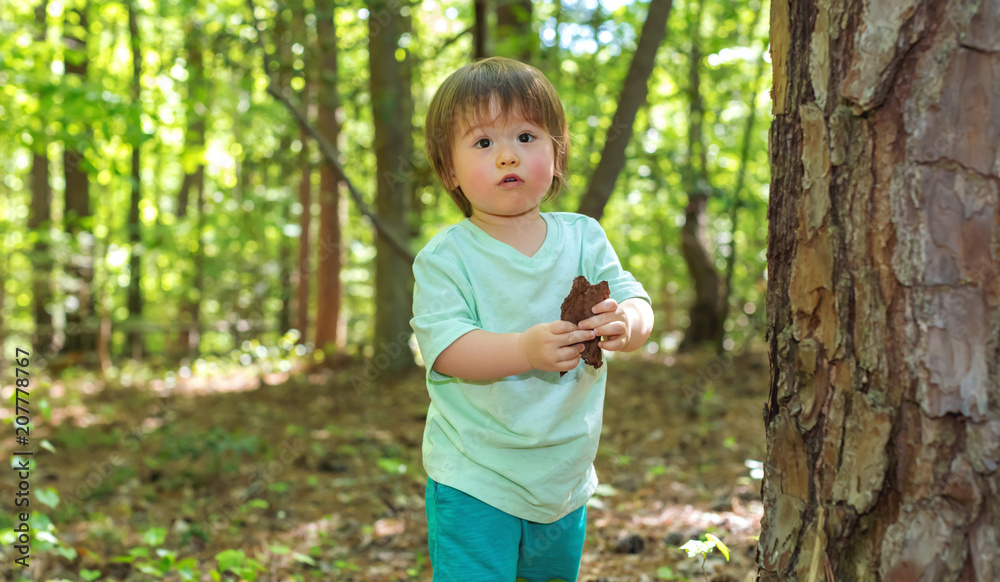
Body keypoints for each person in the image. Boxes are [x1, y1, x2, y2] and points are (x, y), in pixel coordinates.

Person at [410, 56, 654, 582]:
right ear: (450, 170)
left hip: (562, 477)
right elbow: (448, 351)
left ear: (555, 153)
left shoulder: (584, 238)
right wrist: (523, 351)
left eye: (526, 136)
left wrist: (627, 323)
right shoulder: (447, 257)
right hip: (475, 475)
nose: (506, 157)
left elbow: (636, 300)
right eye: (482, 143)